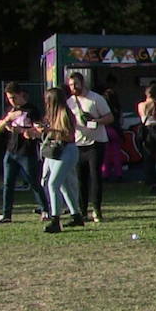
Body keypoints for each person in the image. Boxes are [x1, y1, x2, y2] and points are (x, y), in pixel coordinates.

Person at [0, 83, 48, 224]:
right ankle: (6, 214)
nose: (12, 101)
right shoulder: (11, 111)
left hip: (26, 151)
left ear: (20, 94)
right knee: (8, 183)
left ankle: (45, 210)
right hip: (11, 151)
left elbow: (38, 130)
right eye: (9, 98)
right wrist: (7, 120)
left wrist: (22, 131)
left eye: (13, 97)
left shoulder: (31, 110)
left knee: (33, 181)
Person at [65, 72, 113, 222]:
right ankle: (82, 211)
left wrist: (96, 121)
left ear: (82, 83)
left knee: (95, 176)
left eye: (76, 84)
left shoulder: (96, 99)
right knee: (80, 178)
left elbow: (110, 117)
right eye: (71, 85)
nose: (73, 88)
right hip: (78, 143)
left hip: (96, 142)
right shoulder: (69, 102)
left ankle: (97, 210)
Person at [37, 87, 82, 233]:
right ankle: (76, 216)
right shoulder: (52, 115)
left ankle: (55, 220)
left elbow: (68, 135)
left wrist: (49, 131)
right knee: (63, 185)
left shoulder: (64, 114)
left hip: (67, 150)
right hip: (58, 151)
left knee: (53, 184)